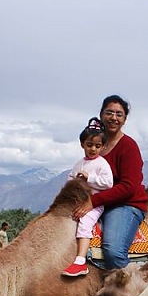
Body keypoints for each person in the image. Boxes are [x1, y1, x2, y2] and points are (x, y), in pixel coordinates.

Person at [71, 95, 148, 296]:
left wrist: (93, 202)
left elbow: (128, 186)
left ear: (125, 119)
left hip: (125, 204)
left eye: (119, 114)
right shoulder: (95, 144)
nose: (113, 117)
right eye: (109, 112)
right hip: (99, 202)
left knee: (113, 249)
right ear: (101, 114)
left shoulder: (129, 147)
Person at [62, 118, 114, 277]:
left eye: (97, 146)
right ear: (82, 144)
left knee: (85, 223)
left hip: (95, 203)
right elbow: (70, 179)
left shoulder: (102, 164)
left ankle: (80, 260)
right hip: (78, 201)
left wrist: (89, 178)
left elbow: (108, 183)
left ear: (103, 146)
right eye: (89, 145)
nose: (93, 149)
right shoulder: (78, 163)